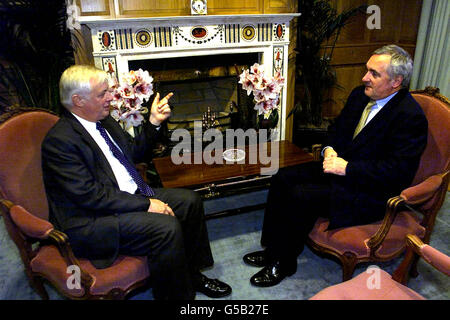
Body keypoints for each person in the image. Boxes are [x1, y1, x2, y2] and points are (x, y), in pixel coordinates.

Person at [243, 44, 428, 287]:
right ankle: (272, 249)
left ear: (396, 82)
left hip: (369, 191)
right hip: (338, 170)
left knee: (301, 195)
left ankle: (284, 262)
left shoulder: (410, 117)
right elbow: (336, 130)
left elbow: (397, 173)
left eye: (374, 73)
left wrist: (347, 168)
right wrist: (329, 149)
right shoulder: (359, 95)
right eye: (366, 70)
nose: (365, 78)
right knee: (282, 177)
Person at [41, 65, 232, 300]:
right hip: (92, 219)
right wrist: (146, 205)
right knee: (165, 227)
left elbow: (134, 154)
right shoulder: (60, 141)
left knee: (189, 201)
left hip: (127, 196)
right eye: (102, 94)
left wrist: (153, 122)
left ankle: (193, 274)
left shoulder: (104, 121)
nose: (110, 98)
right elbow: (90, 196)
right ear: (78, 100)